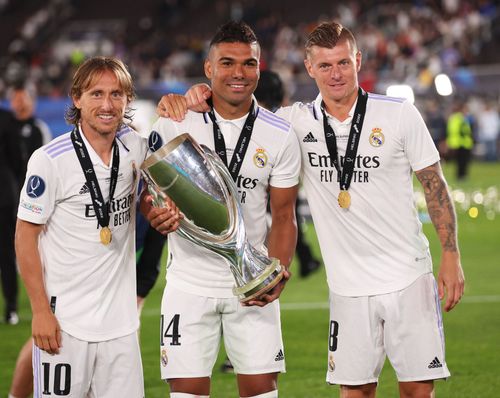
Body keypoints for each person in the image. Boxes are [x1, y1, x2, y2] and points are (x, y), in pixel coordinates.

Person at [161, 20, 465, 398]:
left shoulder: (398, 113)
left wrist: (450, 254)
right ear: (309, 68)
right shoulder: (293, 122)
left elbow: (434, 184)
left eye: (342, 63)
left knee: (418, 392)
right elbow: (240, 114)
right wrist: (194, 96)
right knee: (355, 393)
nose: (335, 74)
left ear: (358, 60)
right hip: (347, 287)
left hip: (408, 276)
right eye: (324, 65)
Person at [142, 21, 300, 398]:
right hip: (189, 284)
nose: (239, 73)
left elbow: (283, 215)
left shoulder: (279, 134)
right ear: (209, 68)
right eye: (227, 63)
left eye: (249, 64)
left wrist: (273, 272)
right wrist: (154, 214)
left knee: (262, 392)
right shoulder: (176, 121)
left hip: (250, 284)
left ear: (260, 68)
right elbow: (150, 195)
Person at [15, 56, 147, 397]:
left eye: (117, 94)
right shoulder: (50, 160)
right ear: (77, 98)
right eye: (97, 94)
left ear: (127, 99)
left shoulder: (136, 147)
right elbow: (25, 238)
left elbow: (153, 197)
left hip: (121, 327)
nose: (107, 104)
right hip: (65, 326)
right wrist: (40, 312)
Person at [446, 101, 474, 180]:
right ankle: (461, 176)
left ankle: (462, 175)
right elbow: (459, 130)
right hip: (460, 143)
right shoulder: (459, 118)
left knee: (462, 161)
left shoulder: (459, 118)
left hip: (461, 143)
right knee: (461, 161)